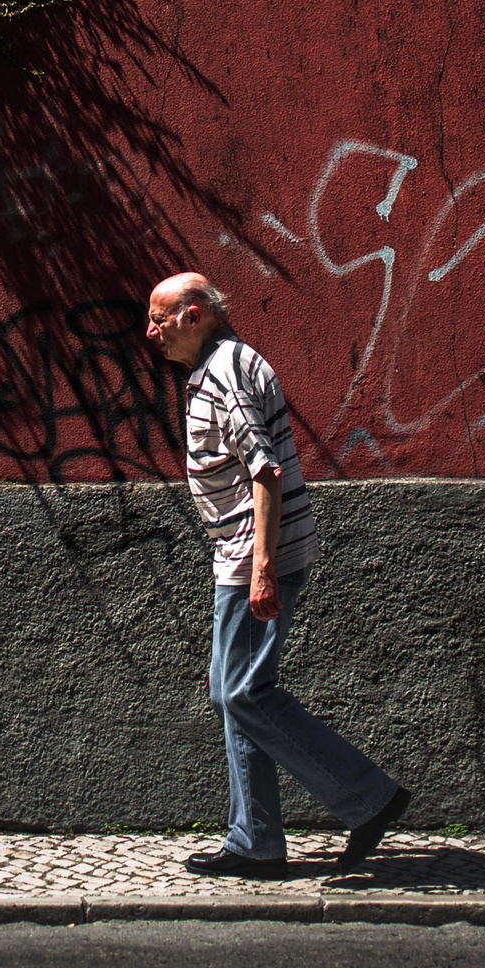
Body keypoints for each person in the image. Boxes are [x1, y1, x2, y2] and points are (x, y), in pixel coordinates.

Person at [145, 271, 411, 877]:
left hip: (254, 556)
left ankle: (367, 797)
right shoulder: (215, 369)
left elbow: (265, 471)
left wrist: (262, 568)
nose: (150, 332)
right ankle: (255, 842)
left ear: (194, 315)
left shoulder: (225, 371)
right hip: (239, 555)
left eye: (160, 318)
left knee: (242, 690)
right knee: (230, 692)